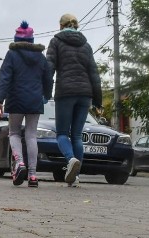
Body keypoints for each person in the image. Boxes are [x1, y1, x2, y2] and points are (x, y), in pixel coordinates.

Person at [46, 13, 103, 186]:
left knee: (62, 134)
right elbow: (94, 73)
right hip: (85, 94)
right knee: (77, 136)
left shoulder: (56, 41)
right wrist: (98, 101)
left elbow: (49, 68)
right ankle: (76, 177)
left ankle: (71, 160)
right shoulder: (86, 45)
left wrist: (46, 93)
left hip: (66, 93)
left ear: (61, 26)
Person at [0, 20, 53, 188]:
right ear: (32, 40)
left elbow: (4, 78)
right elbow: (48, 79)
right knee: (31, 135)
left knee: (14, 133)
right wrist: (46, 96)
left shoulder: (11, 55)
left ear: (16, 39)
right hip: (35, 100)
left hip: (16, 99)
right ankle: (33, 175)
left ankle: (19, 163)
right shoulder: (40, 57)